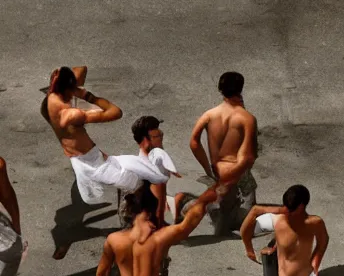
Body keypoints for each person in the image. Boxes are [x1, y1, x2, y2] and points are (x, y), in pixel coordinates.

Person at [41, 67, 173, 229]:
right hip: (95, 165)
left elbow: (81, 69)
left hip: (84, 157)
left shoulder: (50, 99)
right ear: (69, 90)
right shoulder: (73, 115)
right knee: (146, 182)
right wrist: (86, 95)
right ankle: (134, 218)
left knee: (136, 168)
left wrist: (63, 79)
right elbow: (116, 112)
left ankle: (139, 214)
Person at [182, 71, 258, 234]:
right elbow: (249, 156)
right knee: (246, 215)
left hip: (217, 167)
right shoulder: (247, 118)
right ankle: (203, 208)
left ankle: (204, 206)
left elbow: (194, 142)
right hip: (237, 170)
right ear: (240, 89)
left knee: (226, 202)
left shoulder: (209, 114)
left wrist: (208, 169)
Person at [118, 116, 181, 230]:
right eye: (157, 136)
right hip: (143, 227)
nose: (161, 137)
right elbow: (159, 207)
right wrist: (161, 227)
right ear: (146, 141)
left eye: (160, 134)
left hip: (130, 221)